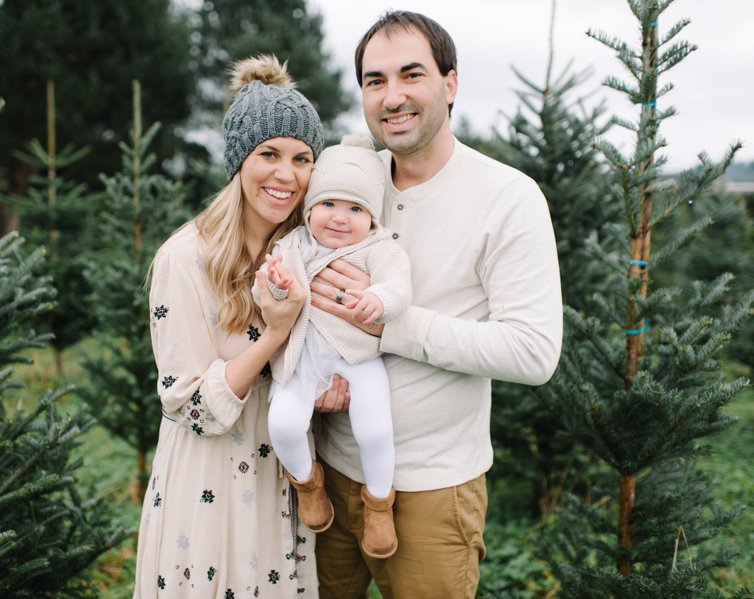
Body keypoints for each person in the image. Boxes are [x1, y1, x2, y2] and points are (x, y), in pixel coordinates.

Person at [308, 11, 564, 599]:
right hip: (322, 476)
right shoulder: (350, 183)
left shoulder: (507, 198)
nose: (392, 97)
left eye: (411, 75)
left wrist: (387, 324)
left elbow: (534, 352)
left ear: (450, 84)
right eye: (375, 81)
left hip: (431, 491)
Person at [134, 55, 331, 599]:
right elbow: (190, 407)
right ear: (239, 160)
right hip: (211, 489)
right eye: (268, 154)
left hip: (283, 483)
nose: (286, 175)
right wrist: (273, 334)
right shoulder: (185, 258)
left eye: (302, 158)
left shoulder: (306, 254)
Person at [252, 134, 412, 560]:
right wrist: (277, 286)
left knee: (374, 429)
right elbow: (263, 290)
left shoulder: (377, 247)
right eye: (328, 205)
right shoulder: (291, 245)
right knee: (284, 425)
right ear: (309, 209)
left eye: (355, 209)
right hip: (302, 358)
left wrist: (379, 300)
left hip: (358, 356)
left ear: (371, 215)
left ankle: (379, 503)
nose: (340, 218)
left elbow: (399, 286)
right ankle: (308, 484)